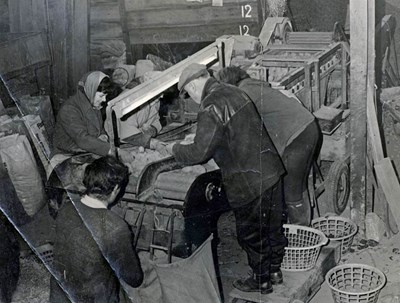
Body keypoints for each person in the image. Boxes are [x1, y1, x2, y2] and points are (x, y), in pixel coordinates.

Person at [166, 63, 287, 294]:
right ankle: (274, 272)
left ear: (193, 85)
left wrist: (175, 149)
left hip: (248, 180)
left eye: (188, 93)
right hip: (270, 169)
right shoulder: (234, 90)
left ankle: (261, 281)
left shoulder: (212, 104)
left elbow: (199, 152)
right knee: (272, 226)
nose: (191, 98)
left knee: (251, 233)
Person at [216, 66, 322, 226]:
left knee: (292, 189)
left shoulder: (244, 93)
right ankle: (298, 228)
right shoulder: (251, 86)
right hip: (306, 128)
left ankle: (300, 237)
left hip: (299, 136)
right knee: (295, 184)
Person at [50, 155, 143, 303]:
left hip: (61, 296)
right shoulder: (115, 226)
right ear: (116, 190)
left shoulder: (66, 208)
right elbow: (134, 278)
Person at [52, 71, 132, 161]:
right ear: (91, 90)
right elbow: (82, 139)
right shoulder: (69, 110)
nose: (104, 99)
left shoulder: (93, 103)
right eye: (101, 95)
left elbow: (99, 127)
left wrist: (103, 135)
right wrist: (113, 151)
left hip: (86, 153)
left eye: (105, 95)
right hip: (66, 157)